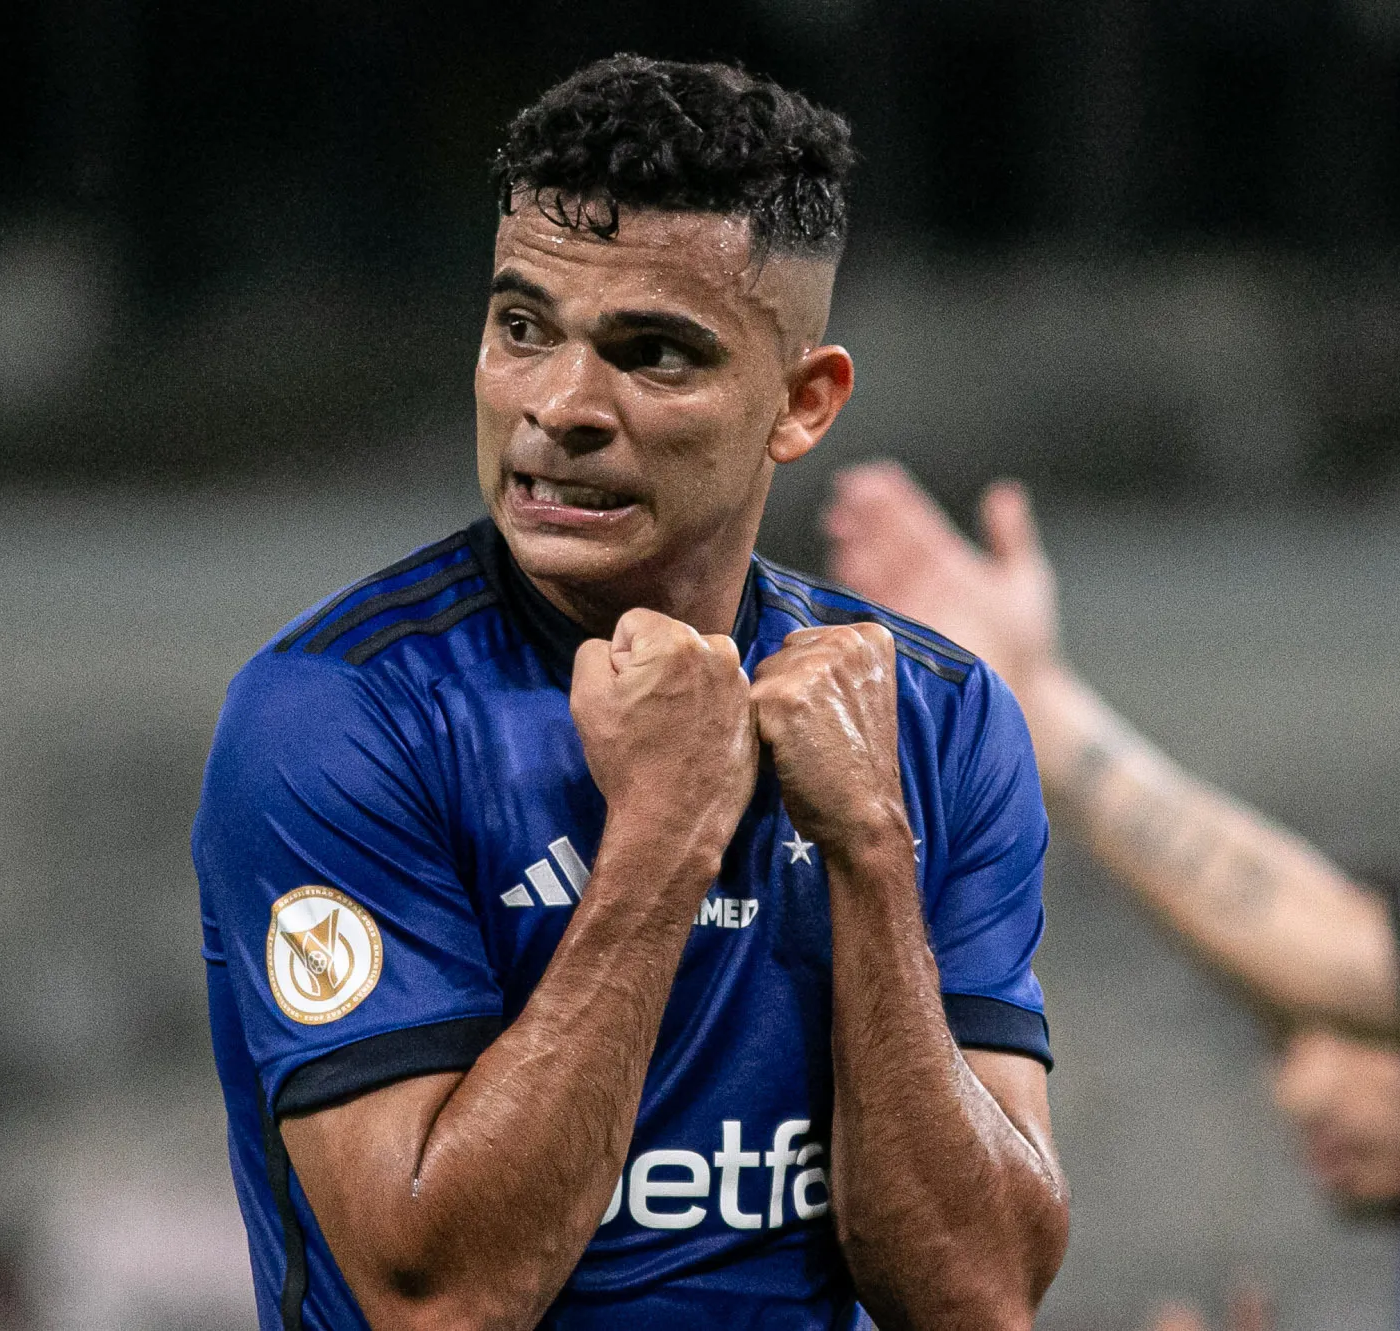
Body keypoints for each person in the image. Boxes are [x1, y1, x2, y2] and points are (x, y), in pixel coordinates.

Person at [192, 60, 1069, 1331]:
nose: (557, 406)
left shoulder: (930, 719)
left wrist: (871, 852)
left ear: (800, 402)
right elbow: (443, 1297)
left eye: (650, 353)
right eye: (521, 327)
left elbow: (978, 1294)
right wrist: (663, 831)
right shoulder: (339, 717)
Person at [821, 463, 1400, 1331]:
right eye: (1281, 1043)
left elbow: (1317, 939)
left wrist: (1031, 706)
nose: (1299, 1092)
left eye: (1359, 1028)